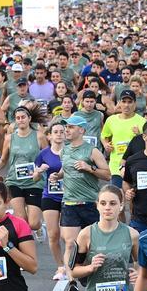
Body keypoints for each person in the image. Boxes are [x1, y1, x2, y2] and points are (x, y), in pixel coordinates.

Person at [58, 115, 112, 278]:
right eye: (66, 127)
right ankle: (72, 281)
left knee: (94, 245)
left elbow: (107, 175)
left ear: (81, 130)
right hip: (69, 203)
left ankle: (96, 273)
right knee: (69, 243)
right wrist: (57, 176)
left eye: (71, 127)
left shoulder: (92, 150)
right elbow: (65, 170)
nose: (67, 130)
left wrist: (89, 168)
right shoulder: (64, 150)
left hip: (89, 202)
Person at [0, 105, 46, 232]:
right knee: (22, 221)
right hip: (15, 180)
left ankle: (40, 228)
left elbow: (46, 157)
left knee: (34, 224)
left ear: (29, 118)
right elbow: (4, 159)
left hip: (34, 181)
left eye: (23, 117)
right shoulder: (9, 138)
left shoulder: (39, 136)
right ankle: (25, 244)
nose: (20, 120)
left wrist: (44, 170)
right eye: (17, 118)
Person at [33, 120, 68, 281]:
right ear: (49, 135)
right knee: (54, 234)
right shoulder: (43, 154)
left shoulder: (70, 152)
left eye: (62, 131)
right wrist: (40, 171)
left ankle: (69, 264)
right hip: (50, 196)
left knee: (67, 236)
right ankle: (60, 266)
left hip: (69, 196)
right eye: (56, 132)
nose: (59, 134)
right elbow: (34, 178)